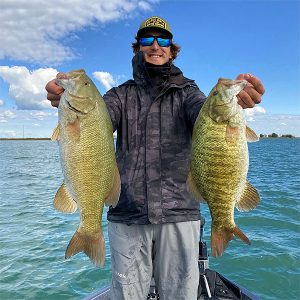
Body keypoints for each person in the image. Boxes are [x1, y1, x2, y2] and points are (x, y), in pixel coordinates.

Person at [46, 16, 265, 300]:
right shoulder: (118, 95)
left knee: (180, 294)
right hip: (127, 215)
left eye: (162, 41)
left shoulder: (189, 93)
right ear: (138, 48)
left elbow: (203, 117)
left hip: (179, 214)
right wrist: (62, 99)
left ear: (172, 50)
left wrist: (233, 103)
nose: (155, 46)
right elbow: (96, 122)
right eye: (147, 40)